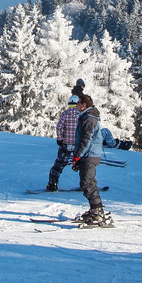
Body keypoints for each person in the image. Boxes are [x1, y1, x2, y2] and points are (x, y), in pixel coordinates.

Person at [72, 94, 110, 226]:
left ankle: (97, 211)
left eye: (78, 103)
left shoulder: (89, 119)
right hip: (87, 155)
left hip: (89, 155)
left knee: (86, 183)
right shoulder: (86, 117)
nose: (76, 106)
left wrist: (77, 155)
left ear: (84, 105)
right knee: (88, 182)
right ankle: (95, 209)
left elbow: (86, 139)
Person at [45, 95, 82, 191]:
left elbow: (59, 127)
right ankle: (85, 183)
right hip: (78, 145)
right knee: (82, 164)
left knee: (59, 164)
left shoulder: (65, 114)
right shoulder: (81, 115)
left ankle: (53, 184)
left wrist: (60, 139)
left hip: (66, 143)